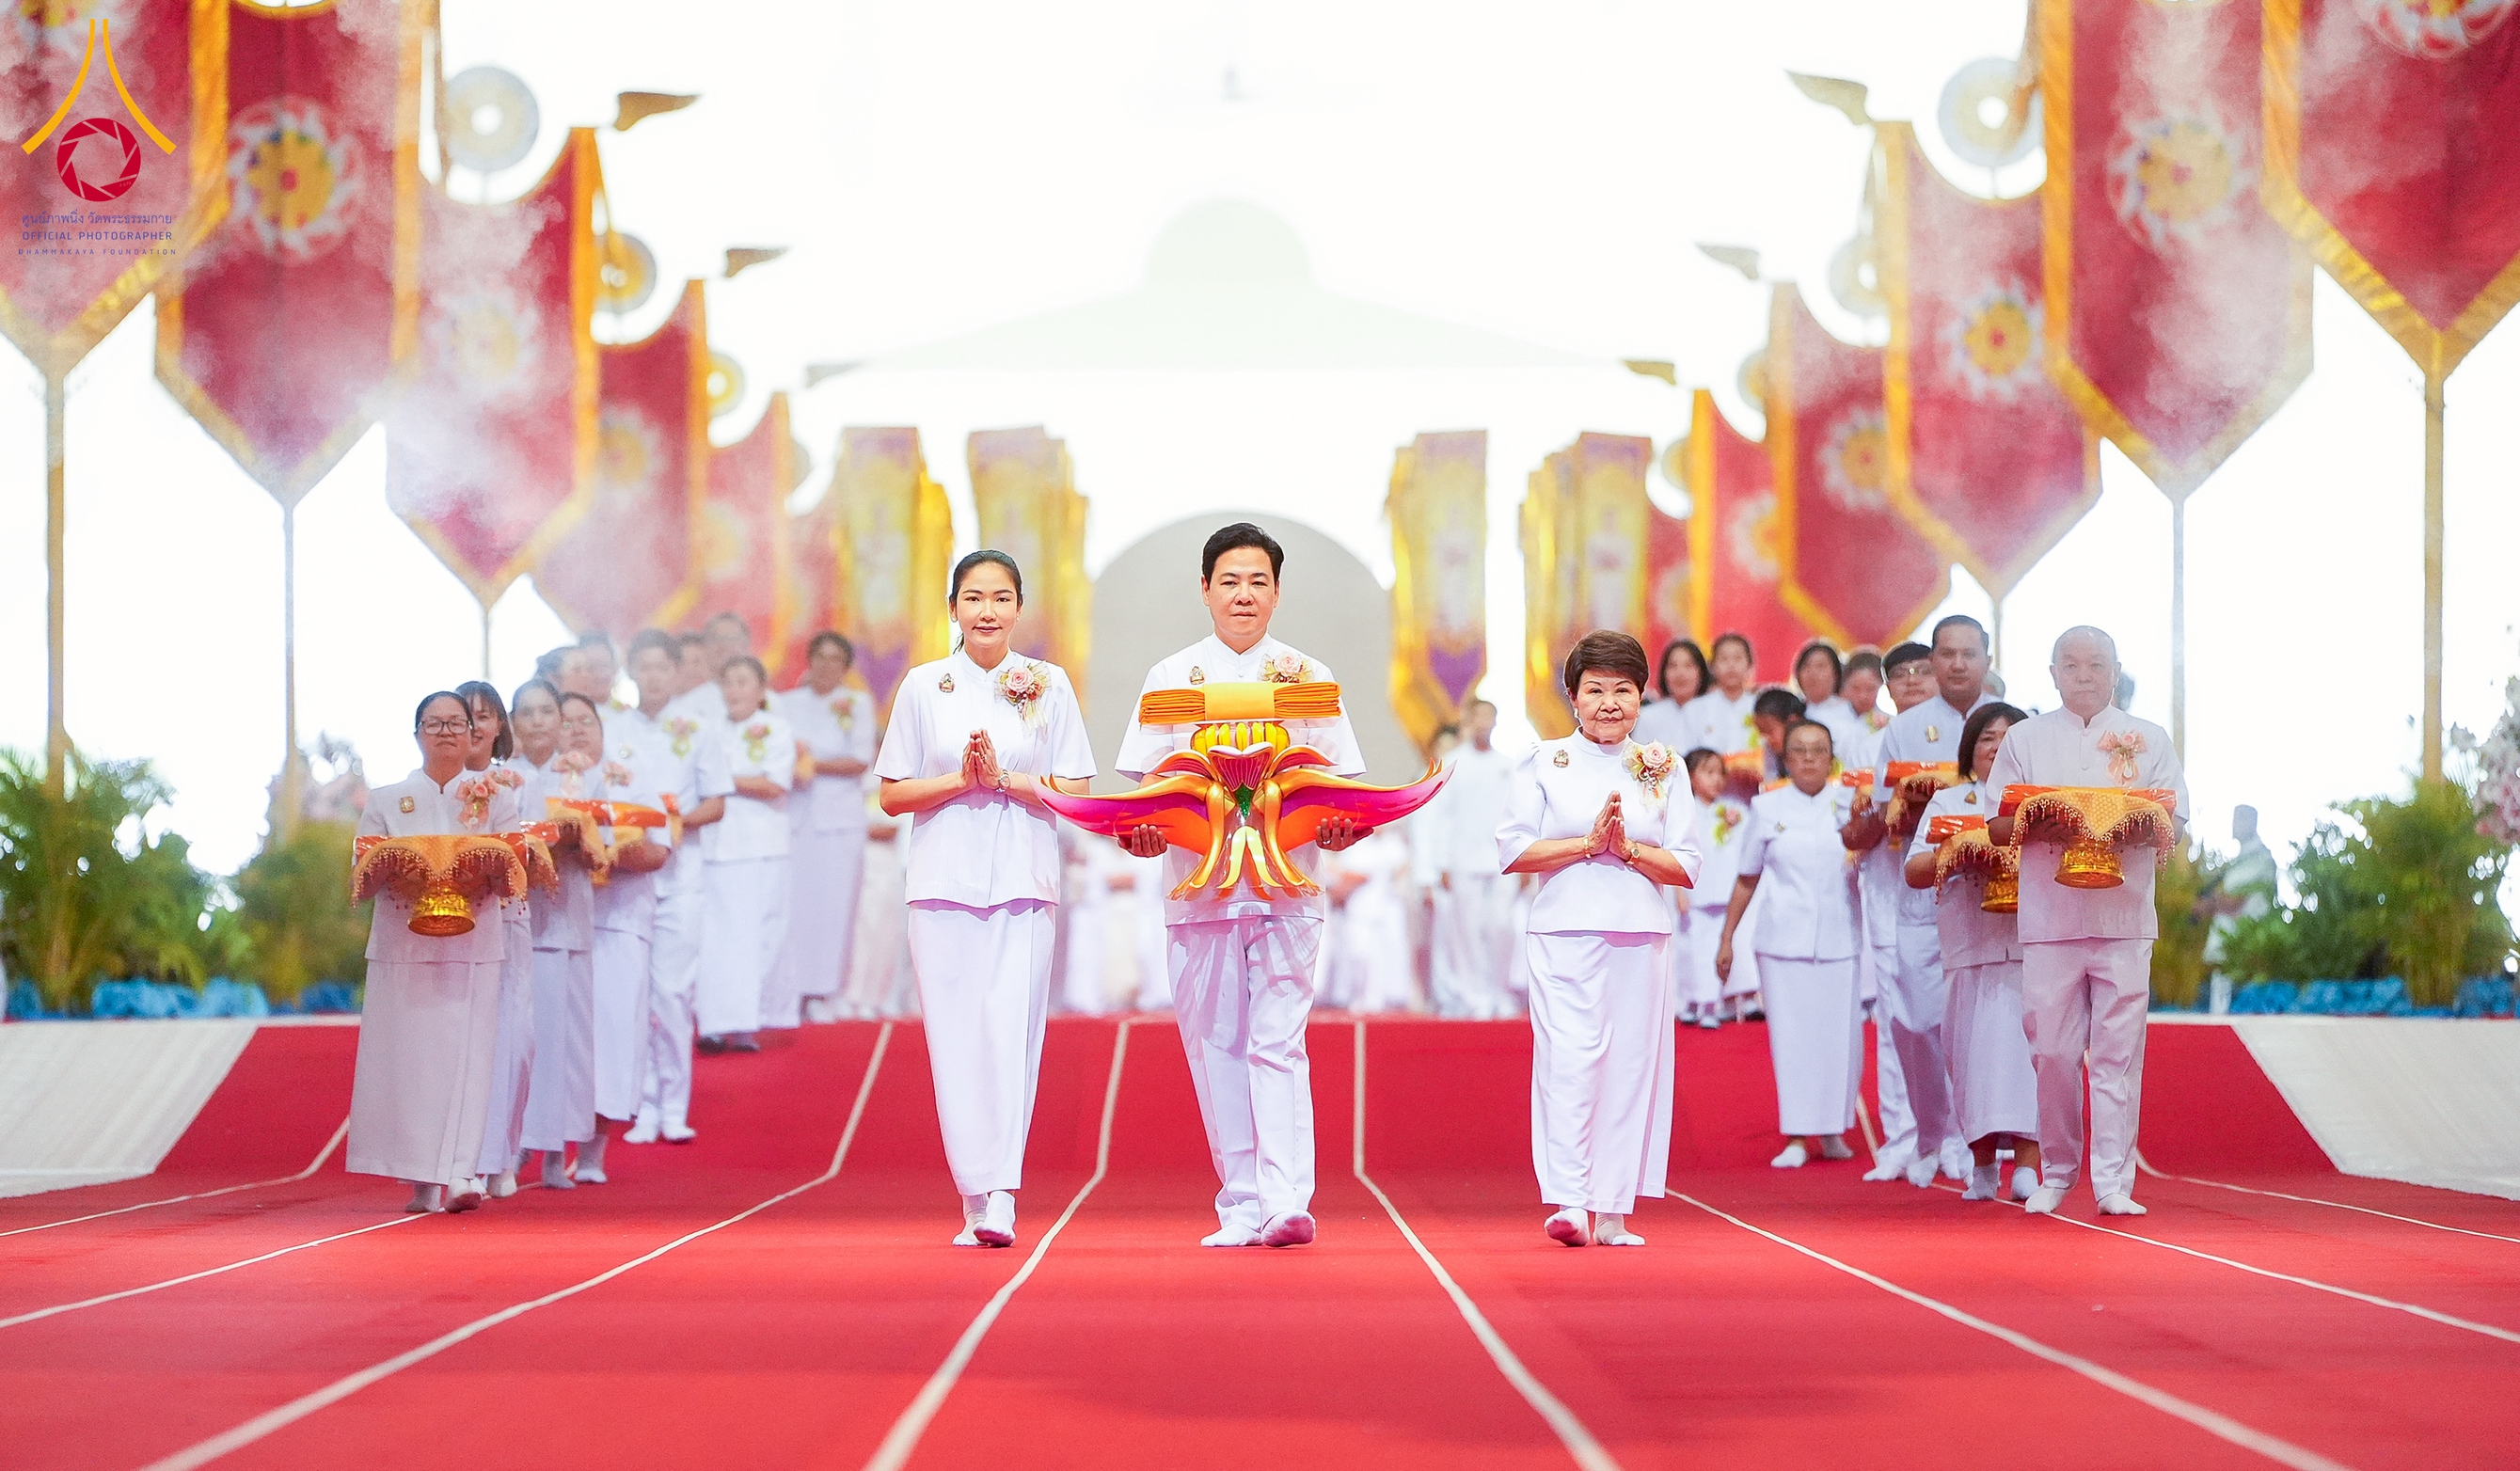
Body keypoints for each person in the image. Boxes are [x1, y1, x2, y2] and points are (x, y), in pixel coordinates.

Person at [1115, 522, 1369, 1249]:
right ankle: (1241, 1203)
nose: (1243, 595)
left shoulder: (1306, 677)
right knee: (1216, 1044)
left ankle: (1288, 1200)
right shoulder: (1168, 678)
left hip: (1287, 888)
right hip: (1199, 890)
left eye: (1258, 581)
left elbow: (1339, 788)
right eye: (1229, 581)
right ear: (1204, 590)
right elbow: (1147, 793)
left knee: (1277, 1042)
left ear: (1278, 591)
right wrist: (1142, 836)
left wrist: (1339, 831)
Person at [876, 550, 1097, 1248]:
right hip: (941, 883)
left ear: (1018, 609)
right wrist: (960, 782)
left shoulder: (1047, 684)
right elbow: (891, 794)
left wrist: (1003, 780)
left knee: (1010, 1034)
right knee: (955, 1040)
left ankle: (1001, 1193)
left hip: (1023, 881)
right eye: (974, 598)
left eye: (1001, 598)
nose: (987, 611)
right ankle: (973, 1194)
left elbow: (1076, 790)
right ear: (952, 609)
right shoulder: (923, 685)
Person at [1500, 631, 1702, 1246]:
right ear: (1571, 696)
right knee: (1569, 1059)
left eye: (1622, 690)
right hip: (1561, 927)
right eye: (1594, 690)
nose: (1608, 703)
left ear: (1642, 696)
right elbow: (1513, 850)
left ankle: (1611, 1212)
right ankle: (1567, 1201)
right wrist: (1585, 847)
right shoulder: (1541, 762)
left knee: (1630, 1066)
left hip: (1639, 931)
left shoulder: (1665, 765)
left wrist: (1630, 850)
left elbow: (1687, 864)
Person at [1988, 625, 2188, 1216]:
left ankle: (2112, 1182)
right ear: (2051, 672)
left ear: (2116, 670)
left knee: (2116, 1054)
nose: (2083, 675)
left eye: (2095, 664)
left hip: (2123, 918)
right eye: (2070, 664)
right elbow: (1997, 825)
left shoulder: (2147, 739)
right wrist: (2038, 825)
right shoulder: (2025, 737)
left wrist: (2130, 826)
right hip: (2050, 919)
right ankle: (2058, 1170)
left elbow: (2175, 821)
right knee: (2050, 1051)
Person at [349, 693, 515, 1213]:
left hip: (475, 942)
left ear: (473, 734)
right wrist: (406, 869)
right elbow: (362, 868)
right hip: (405, 942)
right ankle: (422, 1181)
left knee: (471, 1056)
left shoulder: (496, 797)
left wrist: (475, 871)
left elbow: (514, 865)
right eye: (434, 723)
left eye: (456, 724)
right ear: (417, 733)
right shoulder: (387, 798)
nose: (445, 732)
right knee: (412, 1063)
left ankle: (462, 1171)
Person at [1847, 614, 1996, 1188]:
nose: (1957, 664)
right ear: (1935, 662)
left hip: (1992, 893)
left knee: (1978, 1021)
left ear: (1986, 659)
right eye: (1947, 654)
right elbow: (1885, 812)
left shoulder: (2009, 725)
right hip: (1922, 884)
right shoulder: (1905, 730)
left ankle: (1970, 1138)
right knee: (1913, 1018)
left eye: (1969, 654)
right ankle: (1929, 1132)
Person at [1904, 701, 2041, 1202]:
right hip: (1968, 947)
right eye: (1988, 738)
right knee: (1971, 1060)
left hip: (2032, 947)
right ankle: (1982, 1166)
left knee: (2031, 1057)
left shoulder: (2042, 803)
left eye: (2010, 738)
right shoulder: (1949, 802)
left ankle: (2029, 1164)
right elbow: (1914, 871)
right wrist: (1959, 852)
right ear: (1971, 749)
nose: (1999, 747)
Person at [1717, 719, 1862, 1168]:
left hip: (1841, 935)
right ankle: (1798, 1135)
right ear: (1786, 758)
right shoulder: (1766, 807)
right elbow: (1746, 877)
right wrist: (1727, 939)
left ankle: (1833, 1130)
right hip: (1782, 939)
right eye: (1799, 750)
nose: (1808, 759)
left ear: (1831, 756)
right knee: (1794, 1039)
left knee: (1841, 1039)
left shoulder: (1850, 805)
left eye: (1818, 750)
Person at [616, 631, 731, 1146]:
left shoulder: (699, 729)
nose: (655, 676)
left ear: (676, 671)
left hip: (681, 877)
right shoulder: (613, 730)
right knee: (634, 993)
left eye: (664, 667)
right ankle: (639, 1104)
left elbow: (717, 802)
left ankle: (674, 1106)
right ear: (632, 670)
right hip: (625, 877)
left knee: (673, 994)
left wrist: (671, 823)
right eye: (646, 666)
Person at [510, 685, 607, 1189]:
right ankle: (515, 1143)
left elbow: (604, 847)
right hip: (515, 922)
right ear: (514, 722)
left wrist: (577, 839)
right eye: (527, 713)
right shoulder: (500, 779)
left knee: (567, 1041)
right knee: (524, 1041)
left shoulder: (583, 776)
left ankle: (556, 1151)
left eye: (548, 711)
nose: (539, 721)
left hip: (567, 916)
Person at [571, 689, 671, 1182]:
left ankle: (592, 1150)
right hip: (548, 926)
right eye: (562, 721)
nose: (574, 731)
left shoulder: (628, 778)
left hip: (618, 923)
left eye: (584, 721)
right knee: (543, 1040)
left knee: (610, 1039)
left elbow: (659, 850)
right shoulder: (529, 782)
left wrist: (606, 849)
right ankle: (525, 1148)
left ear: (602, 728)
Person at [1847, 639, 1932, 1184]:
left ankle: (1961, 1137)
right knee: (1896, 1019)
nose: (1911, 683)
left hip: (1955, 900)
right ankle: (1903, 1138)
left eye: (1921, 672)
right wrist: (1889, 808)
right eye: (1899, 675)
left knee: (1955, 1020)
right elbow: (1851, 832)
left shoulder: (1967, 738)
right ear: (1886, 685)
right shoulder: (1864, 748)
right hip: (1887, 896)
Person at [771, 632, 878, 1028]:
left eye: (836, 659)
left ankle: (825, 990)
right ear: (808, 660)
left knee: (834, 906)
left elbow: (860, 759)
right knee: (796, 904)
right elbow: (779, 753)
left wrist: (811, 763)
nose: (826, 666)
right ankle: (792, 989)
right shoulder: (784, 704)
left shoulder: (857, 704)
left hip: (839, 819)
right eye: (820, 657)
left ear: (846, 668)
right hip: (796, 816)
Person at [454, 681, 534, 1198]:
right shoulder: (441, 785)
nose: (476, 726)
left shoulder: (519, 784)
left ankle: (504, 1154)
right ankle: (465, 1159)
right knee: (465, 1041)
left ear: (500, 725)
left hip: (509, 915)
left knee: (514, 1039)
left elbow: (535, 848)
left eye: (486, 717)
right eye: (467, 717)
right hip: (455, 923)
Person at [699, 656, 795, 1054]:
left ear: (761, 689)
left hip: (760, 846)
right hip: (716, 844)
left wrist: (721, 778)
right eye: (729, 682)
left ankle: (746, 1024)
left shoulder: (775, 729)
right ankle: (713, 1022)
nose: (735, 690)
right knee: (717, 938)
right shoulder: (708, 731)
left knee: (756, 937)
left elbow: (774, 785)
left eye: (744, 682)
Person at [1415, 699, 1519, 1019]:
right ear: (1469, 721)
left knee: (1502, 926)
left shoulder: (1509, 766)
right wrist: (1437, 865)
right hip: (1462, 860)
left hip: (1502, 861)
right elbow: (1437, 817)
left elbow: (1517, 814)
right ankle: (1474, 996)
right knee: (1467, 931)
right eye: (1479, 717)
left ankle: (1498, 990)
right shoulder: (1452, 763)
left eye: (1490, 717)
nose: (1484, 723)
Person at [1679, 748, 1750, 1029]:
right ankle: (1691, 1001)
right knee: (1691, 950)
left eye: (1720, 773)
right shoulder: (1682, 811)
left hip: (1723, 891)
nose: (1716, 780)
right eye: (1708, 773)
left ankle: (1712, 1004)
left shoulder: (1733, 810)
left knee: (1717, 949)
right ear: (1691, 777)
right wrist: (1678, 890)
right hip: (1694, 892)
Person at [1325, 823, 1418, 1014]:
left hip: (1380, 912)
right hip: (1357, 911)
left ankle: (1378, 1000)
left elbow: (1360, 875)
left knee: (1379, 958)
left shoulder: (1391, 845)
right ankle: (1355, 997)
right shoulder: (1355, 845)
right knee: (1356, 954)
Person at [2199, 805, 2276, 1012]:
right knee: (2221, 988)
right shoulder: (2241, 858)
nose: (2235, 825)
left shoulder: (2260, 857)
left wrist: (2211, 903)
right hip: (2230, 938)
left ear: (2252, 822)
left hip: (2246, 937)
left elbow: (2236, 902)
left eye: (2240, 820)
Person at [1676, 632, 1759, 756]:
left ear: (1750, 666)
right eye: (1724, 659)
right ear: (1713, 667)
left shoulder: (1759, 706)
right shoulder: (1694, 709)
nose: (1731, 665)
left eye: (1738, 658)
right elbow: (1686, 754)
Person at [1633, 638, 1711, 750]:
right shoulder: (1648, 717)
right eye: (1673, 666)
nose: (1680, 673)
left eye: (1688, 666)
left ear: (1701, 672)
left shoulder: (1715, 712)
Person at [1796, 641, 1867, 753]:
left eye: (1820, 666)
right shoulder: (1792, 711)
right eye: (1806, 666)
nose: (1812, 673)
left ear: (1835, 674)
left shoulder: (1849, 712)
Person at [1749, 688, 1807, 782]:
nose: (1765, 738)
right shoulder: (1771, 750)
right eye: (1761, 732)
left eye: (1769, 731)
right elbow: (1771, 781)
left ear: (1792, 723)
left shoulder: (1816, 748)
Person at [1841, 649, 1888, 737]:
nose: (1863, 696)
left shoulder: (1888, 723)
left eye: (1870, 689)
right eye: (1855, 688)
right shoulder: (1829, 717)